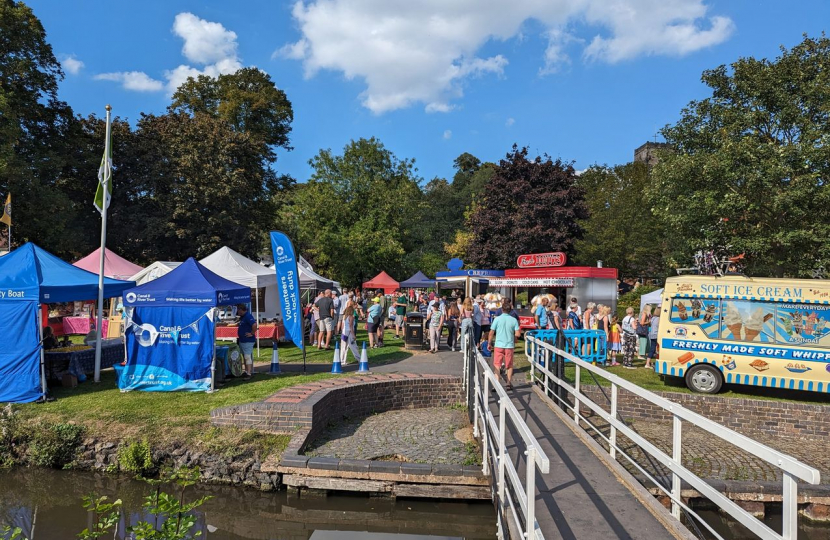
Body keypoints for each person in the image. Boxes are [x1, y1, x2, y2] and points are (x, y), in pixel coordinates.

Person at [488, 298, 521, 390]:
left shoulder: (497, 319)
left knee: (497, 365)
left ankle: (497, 383)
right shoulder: (514, 320)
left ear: (502, 310)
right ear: (510, 310)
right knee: (509, 365)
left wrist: (489, 343)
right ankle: (508, 383)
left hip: (499, 345)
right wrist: (514, 337)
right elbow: (518, 334)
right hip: (509, 345)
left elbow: (491, 332)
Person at [236, 304, 257, 378]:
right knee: (244, 356)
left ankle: (249, 373)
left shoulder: (248, 316)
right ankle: (246, 371)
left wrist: (252, 333)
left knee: (247, 356)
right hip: (242, 340)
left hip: (248, 340)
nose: (237, 312)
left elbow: (254, 324)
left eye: (238, 310)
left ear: (241, 310)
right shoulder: (243, 317)